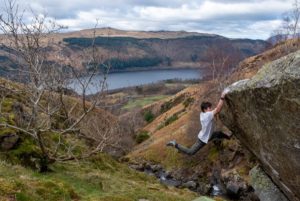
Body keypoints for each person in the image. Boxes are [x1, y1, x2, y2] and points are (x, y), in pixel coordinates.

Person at [166, 90, 231, 155]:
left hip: (208, 135)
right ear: (205, 109)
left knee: (219, 133)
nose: (210, 109)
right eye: (209, 108)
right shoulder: (207, 115)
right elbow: (217, 109)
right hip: (203, 139)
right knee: (190, 152)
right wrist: (222, 97)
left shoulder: (202, 114)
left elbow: (214, 111)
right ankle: (175, 144)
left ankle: (230, 138)